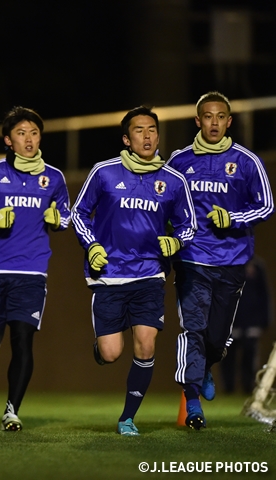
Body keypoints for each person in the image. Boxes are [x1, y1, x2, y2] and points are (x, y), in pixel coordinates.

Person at [71, 106, 196, 436]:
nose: (147, 135)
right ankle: (101, 348)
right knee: (112, 353)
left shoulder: (173, 180)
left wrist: (176, 242)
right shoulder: (104, 172)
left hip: (150, 276)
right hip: (109, 276)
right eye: (139, 130)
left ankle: (127, 417)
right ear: (127, 139)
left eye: (152, 129)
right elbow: (79, 214)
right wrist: (92, 246)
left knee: (146, 345)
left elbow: (188, 226)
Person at [167, 91, 274, 429]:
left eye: (220, 117)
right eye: (207, 116)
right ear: (198, 121)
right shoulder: (180, 161)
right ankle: (193, 400)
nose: (214, 122)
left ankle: (208, 364)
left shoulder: (246, 161)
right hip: (192, 258)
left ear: (229, 121)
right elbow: (161, 199)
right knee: (193, 328)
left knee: (216, 338)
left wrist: (234, 218)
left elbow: (267, 206)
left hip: (231, 260)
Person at [0, 106, 70, 431]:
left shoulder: (53, 177)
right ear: (8, 140)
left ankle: (11, 410)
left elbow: (66, 215)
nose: (28, 139)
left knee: (23, 339)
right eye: (21, 133)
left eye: (34, 133)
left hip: (32, 270)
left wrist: (59, 220)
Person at [220, 256, 273, 394]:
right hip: (231, 321)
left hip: (252, 321)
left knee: (249, 355)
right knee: (228, 355)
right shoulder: (227, 263)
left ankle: (248, 387)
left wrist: (264, 320)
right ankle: (228, 388)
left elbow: (264, 294)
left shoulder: (257, 266)